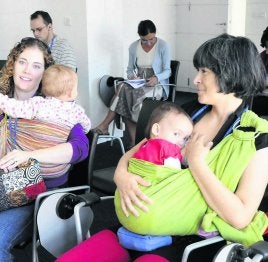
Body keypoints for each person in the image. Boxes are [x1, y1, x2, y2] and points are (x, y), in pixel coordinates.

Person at [114, 34, 268, 260]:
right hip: (145, 224)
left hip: (195, 240)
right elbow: (141, 149)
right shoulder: (188, 113)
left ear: (231, 72)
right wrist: (121, 174)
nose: (195, 79)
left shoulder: (256, 138)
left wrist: (197, 163)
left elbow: (240, 217)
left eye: (204, 71)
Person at [0, 37, 88, 262]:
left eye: (36, 65)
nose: (27, 70)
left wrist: (28, 156)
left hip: (38, 196)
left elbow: (80, 149)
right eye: (22, 62)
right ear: (13, 64)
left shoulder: (58, 110)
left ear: (45, 73)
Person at [93, 20, 171, 149]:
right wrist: (132, 77)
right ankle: (134, 140)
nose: (148, 43)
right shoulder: (133, 47)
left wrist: (157, 78)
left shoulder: (163, 46)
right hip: (139, 82)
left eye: (151, 39)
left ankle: (107, 126)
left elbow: (167, 71)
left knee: (126, 97)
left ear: (155, 34)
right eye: (144, 40)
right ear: (139, 36)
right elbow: (129, 69)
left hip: (156, 84)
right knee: (123, 87)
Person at [0, 64, 91, 134]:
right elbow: (86, 128)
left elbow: (14, 108)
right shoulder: (77, 112)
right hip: (59, 161)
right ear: (71, 92)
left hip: (32, 152)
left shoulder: (37, 104)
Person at [132, 102, 193, 169]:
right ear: (156, 130)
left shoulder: (143, 146)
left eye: (185, 138)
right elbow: (174, 173)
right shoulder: (170, 151)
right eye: (176, 134)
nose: (181, 142)